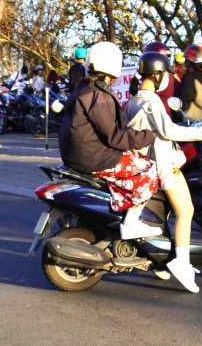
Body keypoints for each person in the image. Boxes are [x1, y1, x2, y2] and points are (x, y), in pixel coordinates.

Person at [124, 51, 202, 293]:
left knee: (175, 212)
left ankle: (168, 258)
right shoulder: (150, 102)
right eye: (165, 73)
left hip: (149, 160)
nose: (167, 77)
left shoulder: (135, 100)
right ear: (157, 74)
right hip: (161, 164)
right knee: (186, 211)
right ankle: (182, 261)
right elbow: (168, 131)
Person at [58, 41, 160, 243]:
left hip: (78, 153)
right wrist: (149, 135)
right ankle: (131, 223)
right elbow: (115, 136)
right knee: (148, 169)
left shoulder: (84, 89)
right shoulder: (98, 95)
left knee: (132, 159)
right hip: (93, 157)